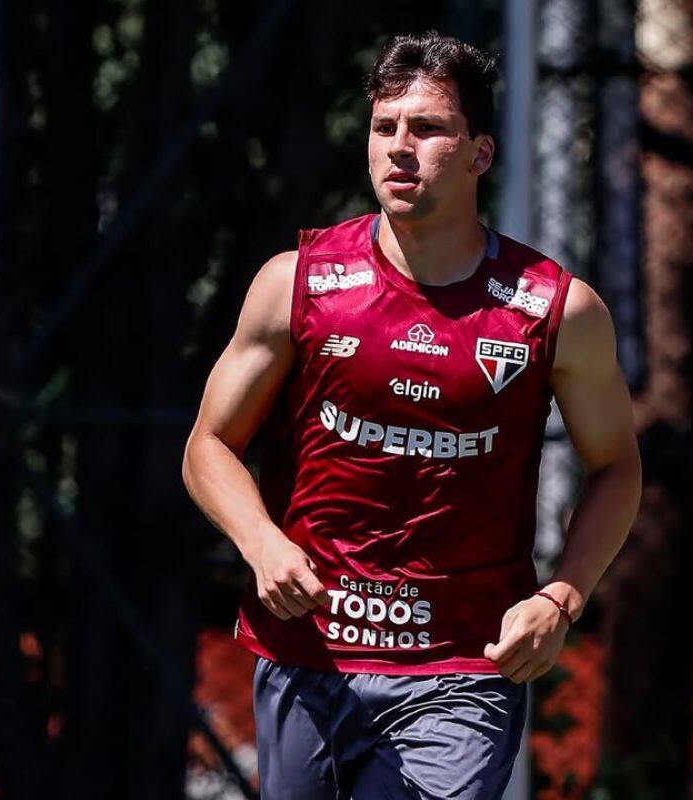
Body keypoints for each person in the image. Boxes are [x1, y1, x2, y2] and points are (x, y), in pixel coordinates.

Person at [182, 30, 642, 800]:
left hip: (463, 667)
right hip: (310, 653)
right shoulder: (295, 284)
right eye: (384, 126)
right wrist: (260, 543)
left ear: (479, 154)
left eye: (427, 129)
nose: (399, 148)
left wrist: (562, 597)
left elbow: (617, 466)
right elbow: (208, 446)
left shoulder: (555, 310)